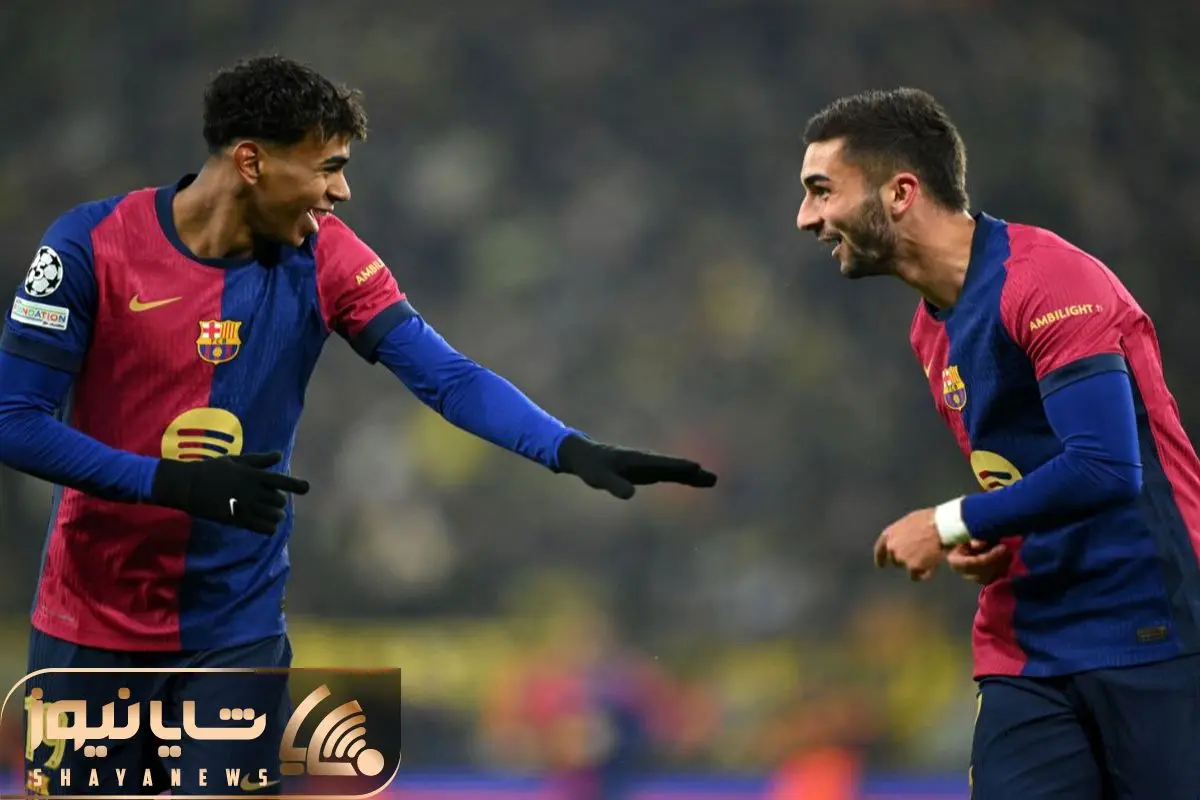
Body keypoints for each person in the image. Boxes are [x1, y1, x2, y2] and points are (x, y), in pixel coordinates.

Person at [0, 55, 716, 796]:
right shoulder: (88, 245)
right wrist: (170, 483)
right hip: (85, 628)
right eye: (327, 168)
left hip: (233, 631)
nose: (342, 190)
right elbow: (12, 420)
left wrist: (568, 448)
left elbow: (447, 376)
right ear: (251, 162)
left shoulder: (329, 256)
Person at [795, 87, 1200, 799]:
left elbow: (1106, 468)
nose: (807, 217)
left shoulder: (1047, 280)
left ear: (900, 192)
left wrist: (949, 521)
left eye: (822, 190)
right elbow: (1025, 472)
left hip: (1153, 627)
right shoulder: (929, 330)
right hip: (1028, 647)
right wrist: (995, 535)